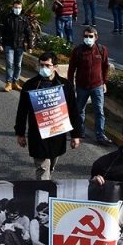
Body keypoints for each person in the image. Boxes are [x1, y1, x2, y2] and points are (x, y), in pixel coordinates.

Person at [14, 51, 83, 180]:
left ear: (55, 67)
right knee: (43, 170)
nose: (44, 68)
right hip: (38, 136)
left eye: (47, 65)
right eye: (41, 65)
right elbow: (22, 111)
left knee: (50, 167)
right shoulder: (30, 85)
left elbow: (73, 111)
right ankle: (43, 194)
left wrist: (76, 135)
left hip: (57, 135)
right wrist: (20, 133)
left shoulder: (65, 86)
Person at [67, 27, 111, 145]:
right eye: (86, 36)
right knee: (80, 111)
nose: (88, 39)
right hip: (82, 86)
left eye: (90, 36)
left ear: (96, 37)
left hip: (97, 86)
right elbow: (71, 69)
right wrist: (70, 84)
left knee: (99, 111)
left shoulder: (102, 50)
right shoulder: (77, 50)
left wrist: (104, 82)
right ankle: (80, 132)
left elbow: (105, 67)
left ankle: (100, 135)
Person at [0, 0, 33, 92]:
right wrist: (0, 43)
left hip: (20, 45)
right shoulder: (7, 18)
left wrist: (30, 46)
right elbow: (1, 31)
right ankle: (8, 82)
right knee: (10, 64)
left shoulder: (24, 19)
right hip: (9, 44)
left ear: (21, 8)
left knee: (18, 65)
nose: (17, 9)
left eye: (19, 8)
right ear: (12, 8)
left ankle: (15, 82)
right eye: (16, 7)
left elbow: (29, 33)